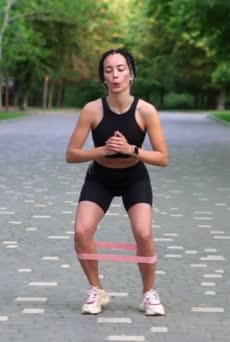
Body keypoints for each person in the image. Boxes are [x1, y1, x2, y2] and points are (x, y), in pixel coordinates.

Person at [65, 48, 169, 316]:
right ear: (103, 77)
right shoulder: (92, 110)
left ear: (131, 74)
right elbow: (71, 154)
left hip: (134, 177)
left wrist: (131, 150)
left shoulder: (146, 111)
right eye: (109, 70)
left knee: (143, 233)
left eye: (121, 69)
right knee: (81, 232)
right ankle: (96, 289)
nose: (115, 75)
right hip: (100, 177)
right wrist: (102, 151)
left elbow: (162, 157)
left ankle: (148, 293)